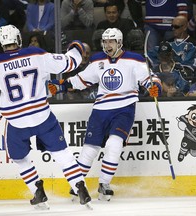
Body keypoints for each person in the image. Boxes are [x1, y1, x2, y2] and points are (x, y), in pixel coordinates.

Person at [0, 24, 92, 209]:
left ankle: (37, 190)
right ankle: (80, 187)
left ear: (1, 42)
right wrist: (76, 48)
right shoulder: (36, 54)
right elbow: (69, 63)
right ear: (19, 39)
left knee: (19, 158)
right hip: (42, 116)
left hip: (16, 122)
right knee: (63, 154)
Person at [48, 28, 161, 201]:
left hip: (124, 108)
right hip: (100, 110)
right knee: (88, 151)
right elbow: (82, 80)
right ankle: (77, 185)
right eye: (105, 41)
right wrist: (61, 85)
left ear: (119, 42)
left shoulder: (134, 59)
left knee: (114, 145)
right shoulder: (98, 60)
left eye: (111, 41)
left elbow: (149, 79)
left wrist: (155, 87)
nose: (107, 45)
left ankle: (104, 184)